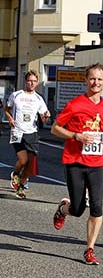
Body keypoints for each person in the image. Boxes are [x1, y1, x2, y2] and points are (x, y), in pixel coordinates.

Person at [51, 63, 103, 265]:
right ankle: (64, 208)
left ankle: (89, 249)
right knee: (79, 209)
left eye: (99, 79)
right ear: (86, 80)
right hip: (75, 162)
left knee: (97, 207)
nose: (95, 82)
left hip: (97, 163)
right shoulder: (75, 104)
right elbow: (55, 128)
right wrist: (76, 136)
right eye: (92, 78)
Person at [4, 70, 51, 199]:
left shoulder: (38, 99)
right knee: (23, 160)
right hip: (17, 131)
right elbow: (7, 109)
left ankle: (21, 182)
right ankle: (16, 175)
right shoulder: (16, 95)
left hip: (32, 133)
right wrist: (9, 118)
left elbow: (44, 118)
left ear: (37, 83)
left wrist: (46, 117)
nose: (32, 83)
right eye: (30, 80)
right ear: (25, 81)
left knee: (30, 165)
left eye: (34, 81)